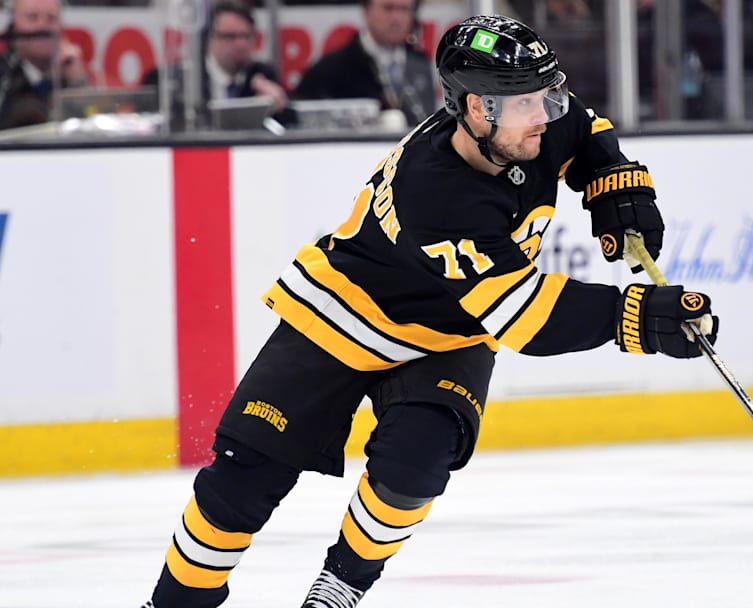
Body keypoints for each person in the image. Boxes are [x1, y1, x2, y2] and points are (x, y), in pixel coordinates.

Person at [142, 14, 717, 608]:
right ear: (474, 108)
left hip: (452, 332)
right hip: (343, 314)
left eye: (549, 93)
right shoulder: (435, 188)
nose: (545, 113)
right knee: (242, 481)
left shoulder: (531, 118)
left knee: (413, 468)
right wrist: (640, 317)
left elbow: (586, 128)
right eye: (527, 103)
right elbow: (524, 315)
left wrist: (618, 184)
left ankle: (337, 591)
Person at [141, 0, 291, 128]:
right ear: (210, 38)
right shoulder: (182, 80)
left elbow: (289, 126)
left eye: (246, 36)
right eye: (230, 37)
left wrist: (279, 107)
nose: (241, 44)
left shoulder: (264, 75)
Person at [291, 0, 436, 126]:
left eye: (404, 9)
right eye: (388, 8)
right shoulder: (331, 69)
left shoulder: (420, 64)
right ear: (366, 11)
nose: (396, 18)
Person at [0, 0, 88, 130]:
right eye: (32, 17)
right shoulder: (4, 78)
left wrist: (78, 83)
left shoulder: (68, 74)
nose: (42, 26)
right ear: (13, 26)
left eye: (51, 18)